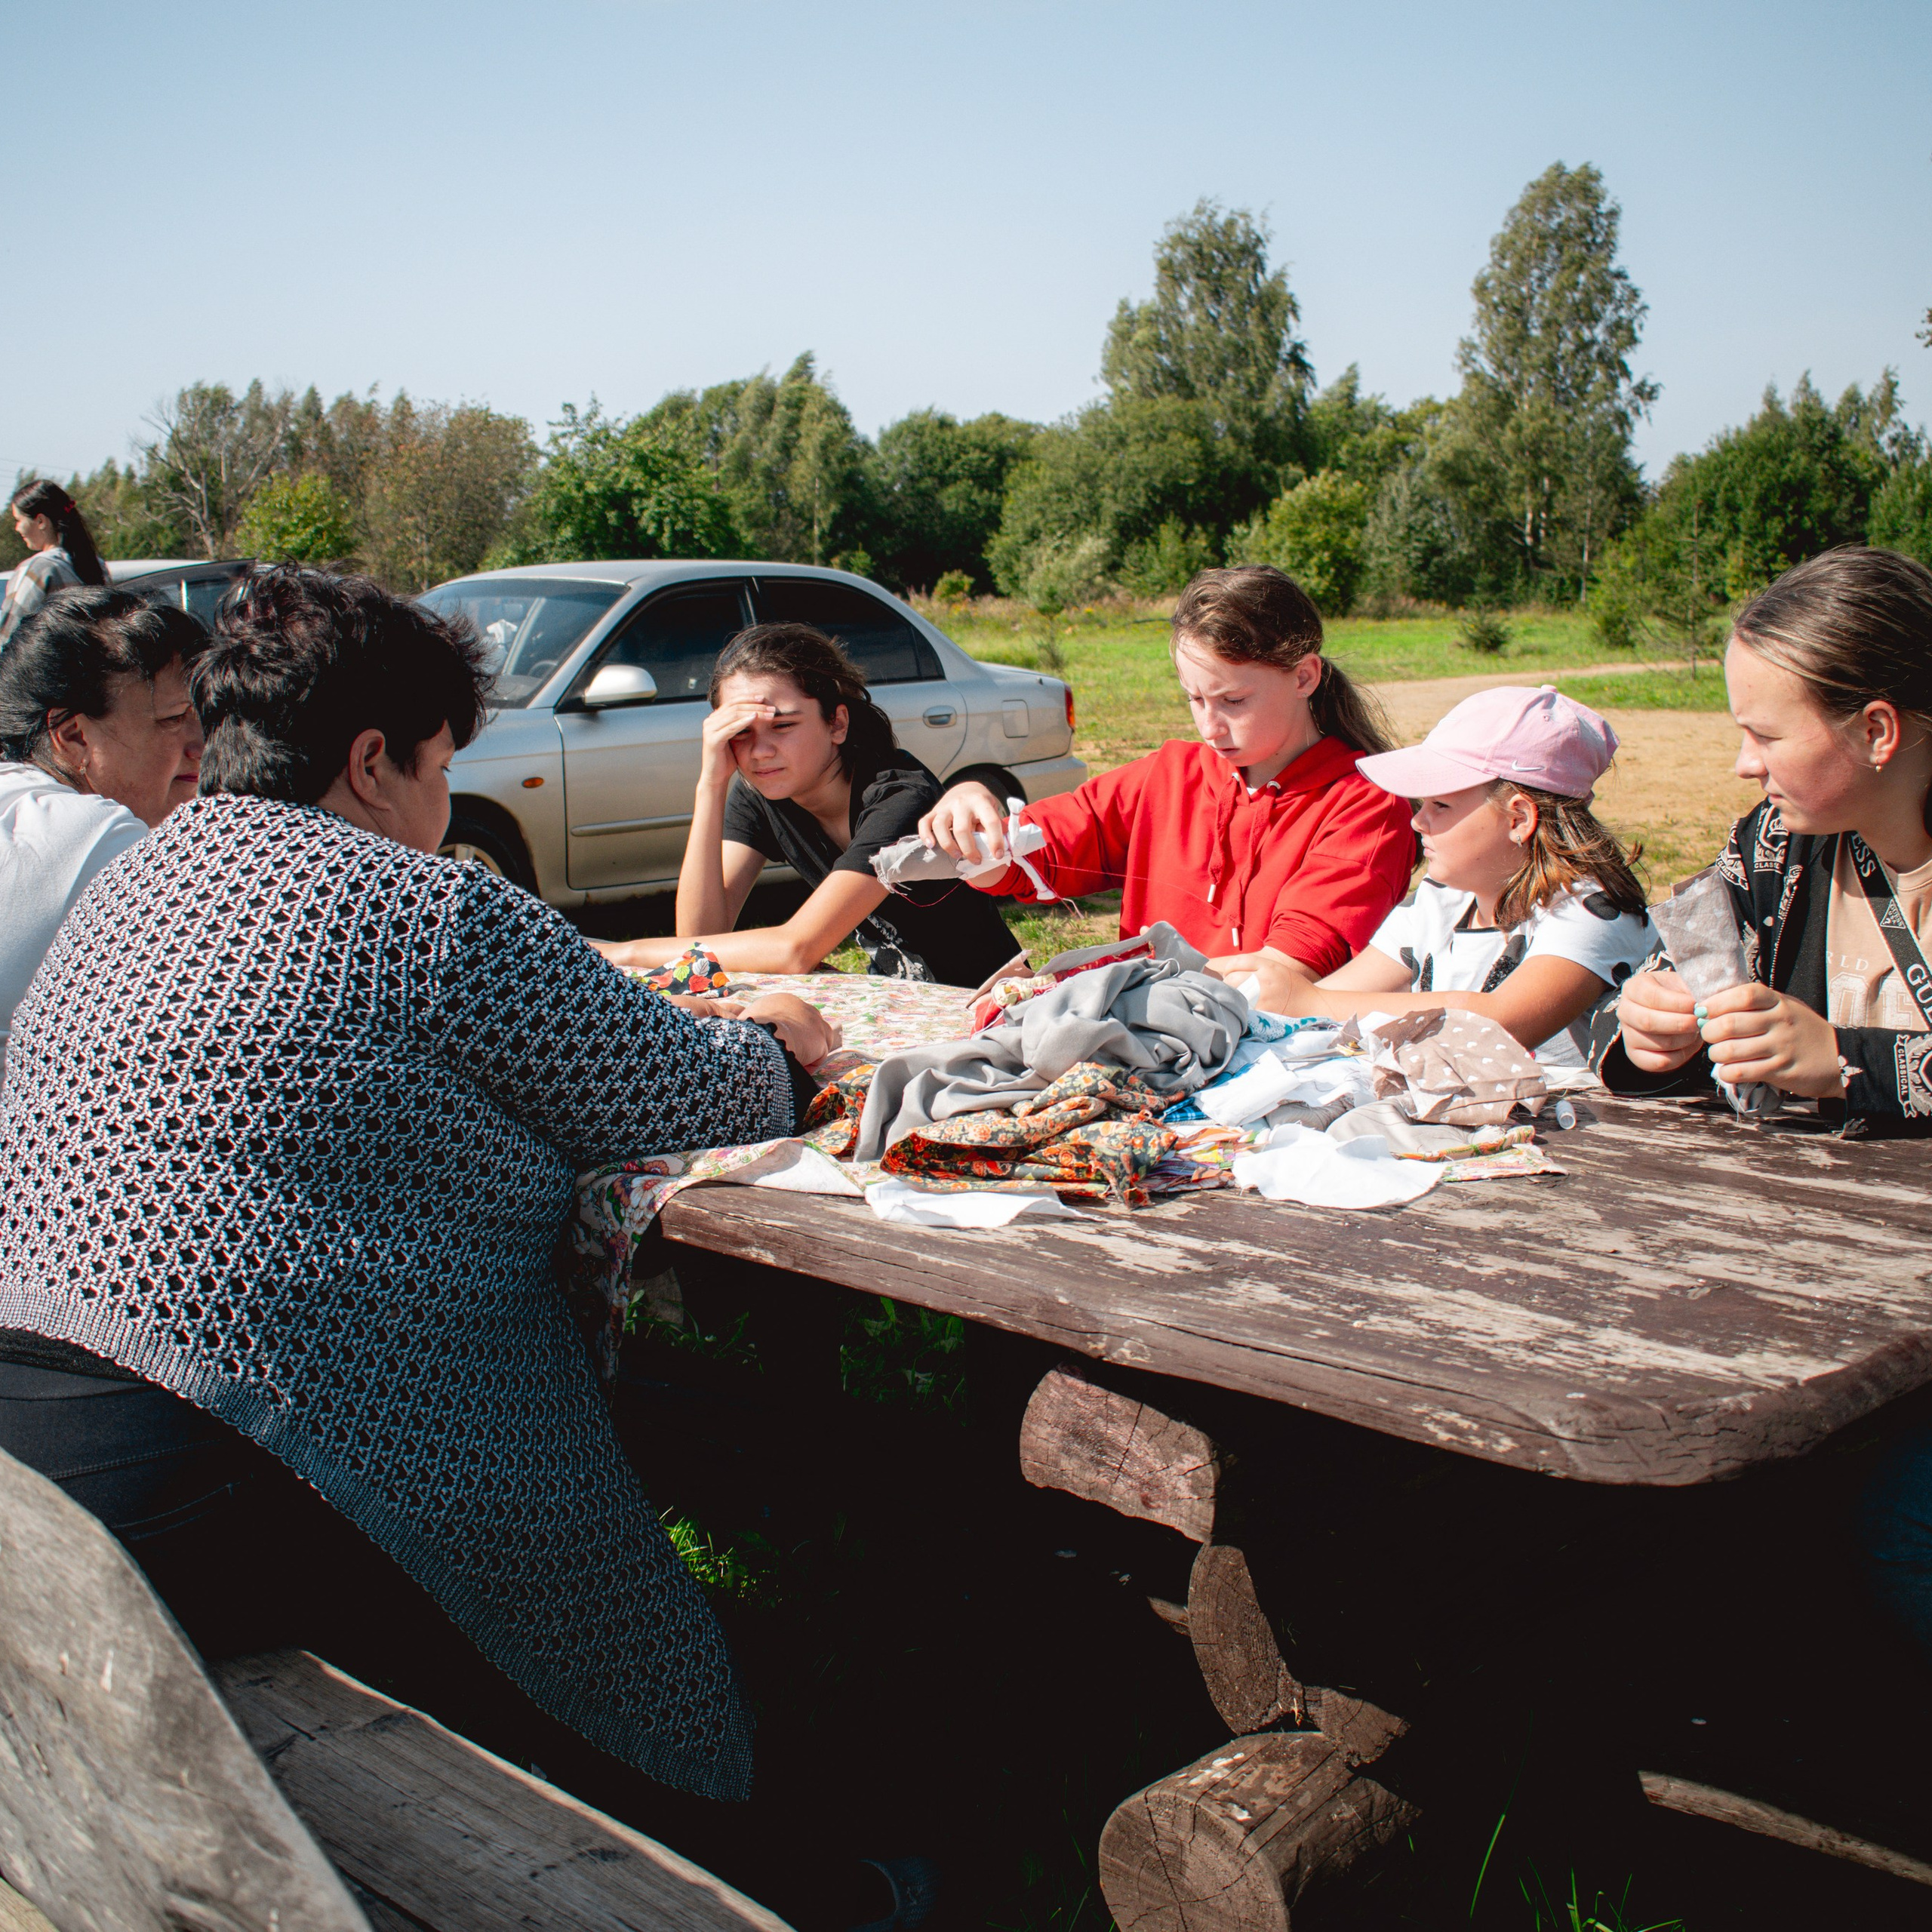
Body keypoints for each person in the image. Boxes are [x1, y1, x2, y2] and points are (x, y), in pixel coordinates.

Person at [0, 565, 839, 1809]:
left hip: (32, 1453)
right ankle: (743, 1838)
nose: (445, 803)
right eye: (442, 768)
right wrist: (780, 1039)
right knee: (556, 1610)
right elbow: (698, 1096)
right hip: (217, 1463)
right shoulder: (418, 907)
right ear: (371, 763)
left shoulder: (133, 884)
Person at [918, 565, 1417, 981]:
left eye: (1233, 700)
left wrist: (1114, 986)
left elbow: (1285, 974)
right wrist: (974, 824)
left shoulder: (1366, 804)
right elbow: (1033, 857)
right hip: (1150, 1040)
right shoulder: (1170, 774)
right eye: (1195, 699)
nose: (1210, 726)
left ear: (1304, 676)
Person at [1607, 546, 1932, 1121]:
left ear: (1876, 732)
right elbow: (1668, 984)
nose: (1745, 765)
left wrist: (1841, 1061)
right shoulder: (1772, 845)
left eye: (1767, 736)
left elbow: (1826, 1062)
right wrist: (1656, 1030)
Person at [594, 622, 1022, 987]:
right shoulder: (760, 793)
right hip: (897, 1002)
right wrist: (711, 783)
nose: (760, 751)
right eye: (740, 732)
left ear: (837, 723)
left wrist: (620, 953)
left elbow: (796, 950)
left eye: (783, 726)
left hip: (988, 1005)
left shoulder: (901, 797)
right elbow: (700, 938)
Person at [1251, 685, 1657, 1067]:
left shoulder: (1590, 912)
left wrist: (1310, 1003)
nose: (1417, 821)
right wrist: (1276, 996)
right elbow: (1335, 996)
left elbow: (1499, 1023)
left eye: (1440, 806)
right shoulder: (1441, 900)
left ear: (1519, 818)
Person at [0, 587, 207, 1081]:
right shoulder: (96, 837)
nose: (201, 743)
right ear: (73, 737)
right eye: (172, 719)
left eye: (203, 714)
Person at [0, 479, 109, 652]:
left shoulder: (38, 569)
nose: (17, 528)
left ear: (41, 521)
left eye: (18, 520)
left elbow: (9, 637)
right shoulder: (98, 566)